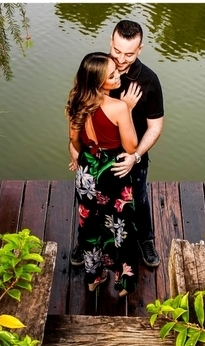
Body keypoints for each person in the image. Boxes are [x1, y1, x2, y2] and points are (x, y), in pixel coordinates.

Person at [71, 19, 164, 269]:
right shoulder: (98, 69)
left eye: (129, 54)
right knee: (89, 200)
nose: (121, 59)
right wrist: (76, 152)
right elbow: (79, 111)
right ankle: (85, 241)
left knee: (139, 198)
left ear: (140, 50)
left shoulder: (149, 81)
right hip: (97, 156)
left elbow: (155, 126)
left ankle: (145, 239)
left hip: (131, 155)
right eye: (116, 51)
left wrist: (136, 156)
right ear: (110, 43)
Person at [66, 52, 143, 297]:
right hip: (114, 173)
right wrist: (128, 109)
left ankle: (94, 277)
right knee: (121, 227)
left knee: (90, 226)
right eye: (111, 75)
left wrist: (83, 158)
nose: (118, 76)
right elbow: (131, 147)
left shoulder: (76, 102)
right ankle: (123, 281)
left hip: (87, 173)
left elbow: (74, 142)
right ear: (99, 82)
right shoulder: (119, 107)